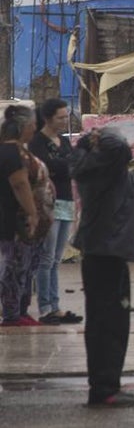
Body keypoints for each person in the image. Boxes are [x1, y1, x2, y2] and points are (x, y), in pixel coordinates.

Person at [72, 128, 134, 408]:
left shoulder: (89, 169)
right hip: (108, 252)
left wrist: (89, 142)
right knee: (111, 323)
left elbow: (114, 151)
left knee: (101, 322)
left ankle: (103, 384)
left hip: (99, 251)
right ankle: (105, 387)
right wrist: (104, 138)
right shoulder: (106, 169)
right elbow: (121, 151)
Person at [31, 98, 82, 325]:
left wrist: (61, 166)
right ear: (48, 118)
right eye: (60, 117)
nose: (64, 121)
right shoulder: (37, 142)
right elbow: (48, 167)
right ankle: (45, 307)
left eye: (65, 117)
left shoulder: (63, 141)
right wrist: (63, 166)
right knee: (46, 257)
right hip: (47, 203)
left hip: (66, 201)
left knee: (56, 258)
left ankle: (55, 304)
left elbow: (71, 166)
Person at [0, 104, 42, 327]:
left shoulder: (14, 150)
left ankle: (16, 311)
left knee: (18, 266)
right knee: (13, 267)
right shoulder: (11, 153)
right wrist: (32, 212)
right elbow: (19, 184)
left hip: (12, 218)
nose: (34, 130)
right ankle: (11, 314)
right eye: (33, 126)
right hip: (12, 219)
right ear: (23, 127)